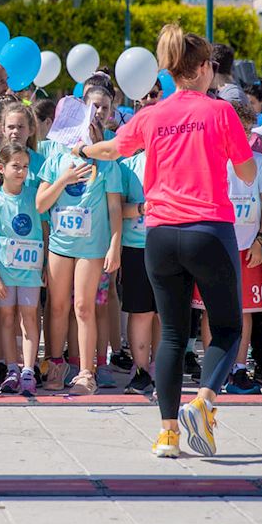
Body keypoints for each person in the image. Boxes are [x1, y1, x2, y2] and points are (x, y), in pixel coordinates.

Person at [76, 25, 255, 457]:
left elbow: (113, 149)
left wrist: (82, 152)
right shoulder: (219, 112)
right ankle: (205, 400)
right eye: (211, 65)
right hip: (208, 229)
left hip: (160, 234)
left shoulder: (152, 113)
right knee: (228, 327)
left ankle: (168, 435)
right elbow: (248, 173)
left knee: (172, 334)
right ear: (199, 69)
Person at [36, 112, 122, 396]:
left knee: (84, 307)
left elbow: (114, 209)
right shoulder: (55, 161)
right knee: (58, 306)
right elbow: (40, 204)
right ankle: (56, 364)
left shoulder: (108, 165)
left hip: (92, 247)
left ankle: (87, 372)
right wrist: (64, 178)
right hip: (61, 245)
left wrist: (114, 244)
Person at [0, 143, 46, 396]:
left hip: (30, 269)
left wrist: (46, 265)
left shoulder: (34, 195)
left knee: (29, 317)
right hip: (5, 272)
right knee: (6, 318)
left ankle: (28, 369)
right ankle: (11, 368)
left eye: (25, 167)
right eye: (15, 166)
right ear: (1, 168)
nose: (21, 171)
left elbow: (45, 228)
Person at [218, 103, 262, 395]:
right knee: (211, 310)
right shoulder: (214, 159)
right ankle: (217, 368)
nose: (242, 134)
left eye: (247, 130)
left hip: (248, 247)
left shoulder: (261, 163)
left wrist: (260, 241)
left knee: (246, 311)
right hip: (218, 246)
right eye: (236, 128)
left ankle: (239, 368)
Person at [116, 144, 156, 395]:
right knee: (140, 312)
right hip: (135, 247)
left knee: (166, 314)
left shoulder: (178, 161)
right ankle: (140, 371)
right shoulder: (127, 167)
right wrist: (143, 208)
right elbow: (117, 210)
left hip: (170, 245)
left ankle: (161, 368)